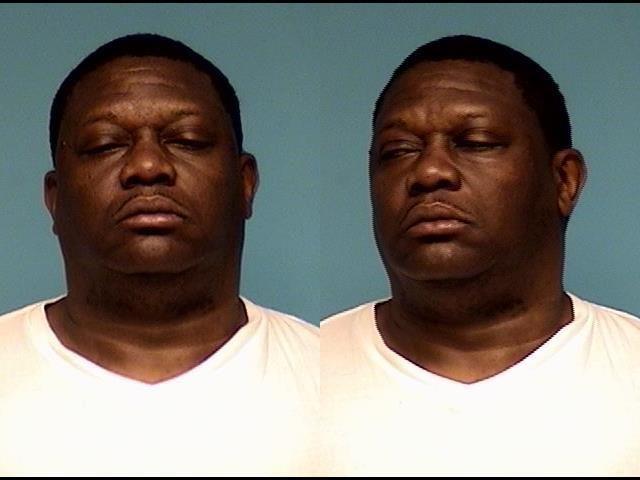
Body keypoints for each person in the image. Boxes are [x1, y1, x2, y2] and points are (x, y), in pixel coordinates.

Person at [320, 35, 640, 475]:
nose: (429, 171)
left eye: (476, 142)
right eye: (399, 151)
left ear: (563, 181)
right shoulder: (306, 371)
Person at [0, 33, 318, 475]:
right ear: (55, 198)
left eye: (187, 140)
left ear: (245, 183)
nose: (147, 166)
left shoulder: (331, 378)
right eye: (105, 144)